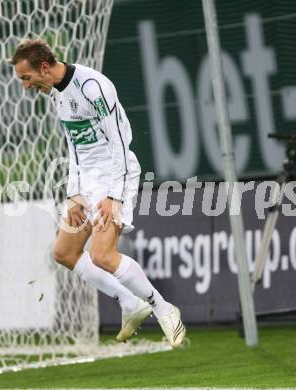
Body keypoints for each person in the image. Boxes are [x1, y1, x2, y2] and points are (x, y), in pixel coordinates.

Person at [11, 39, 186, 348]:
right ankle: (131, 304)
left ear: (44, 67)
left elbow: (120, 143)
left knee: (104, 255)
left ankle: (164, 309)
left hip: (115, 176)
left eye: (26, 78)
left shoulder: (93, 86)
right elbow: (75, 149)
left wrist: (114, 196)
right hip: (87, 183)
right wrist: (74, 194)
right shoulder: (58, 96)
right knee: (64, 253)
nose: (26, 86)